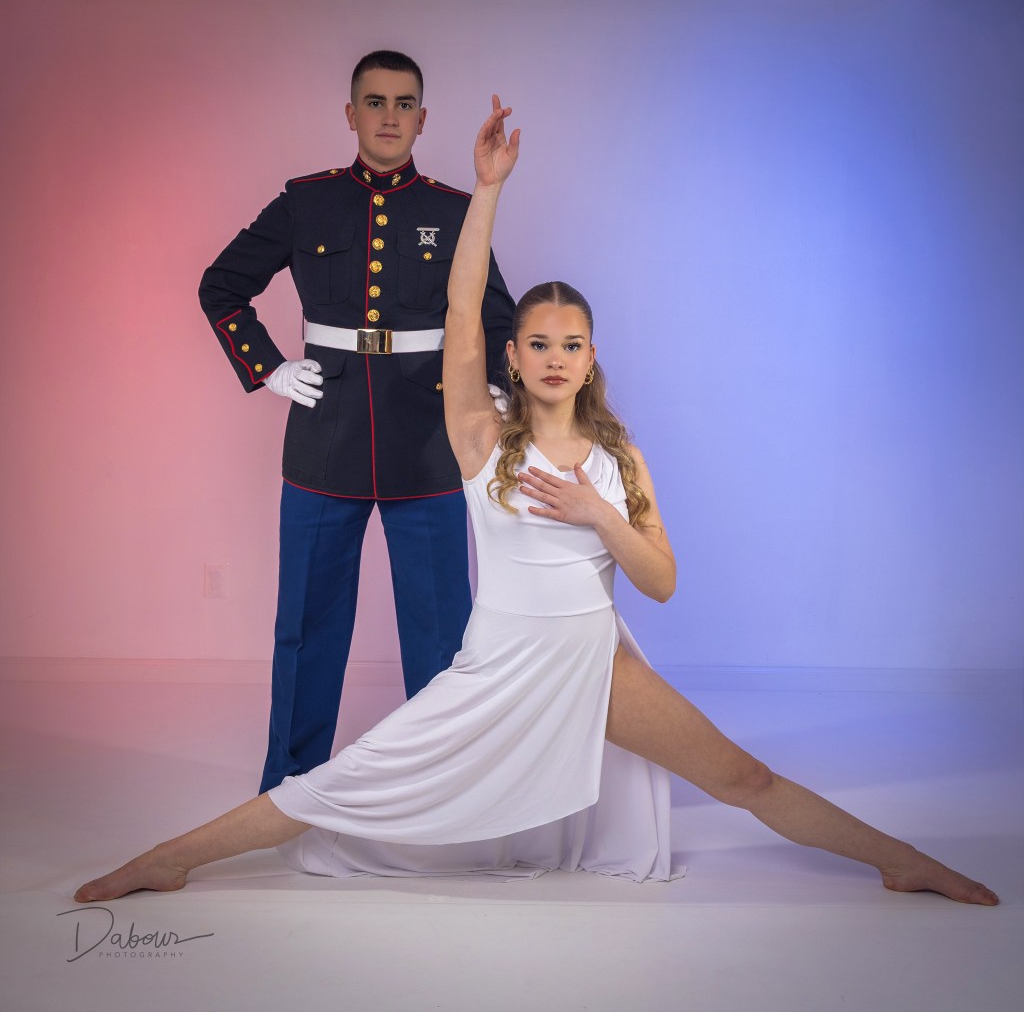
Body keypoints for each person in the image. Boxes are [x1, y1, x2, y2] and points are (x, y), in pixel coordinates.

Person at [76, 99, 998, 905]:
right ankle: (169, 859)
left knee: (743, 774)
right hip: (503, 665)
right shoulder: (480, 436)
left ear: (592, 357)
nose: (556, 356)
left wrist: (600, 516)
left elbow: (663, 584)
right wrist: (487, 190)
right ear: (512, 355)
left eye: (574, 343)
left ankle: (901, 860)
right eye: (540, 342)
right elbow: (464, 297)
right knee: (348, 784)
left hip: (594, 662)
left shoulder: (622, 455)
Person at [197, 51, 515, 794]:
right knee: (306, 625)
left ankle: (444, 784)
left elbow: (496, 316)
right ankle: (291, 786)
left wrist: (494, 393)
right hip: (325, 439)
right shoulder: (307, 202)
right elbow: (222, 285)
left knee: (440, 630)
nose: (389, 116)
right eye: (374, 102)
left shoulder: (449, 208)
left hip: (427, 440)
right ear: (351, 114)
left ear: (422, 119)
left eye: (404, 104)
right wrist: (266, 367)